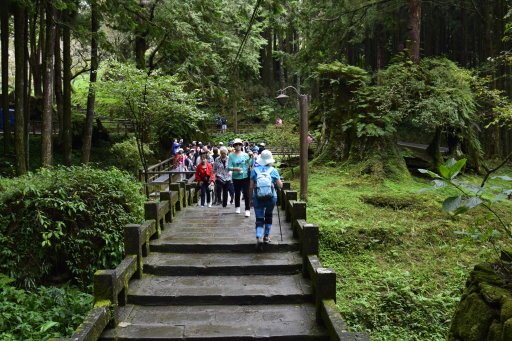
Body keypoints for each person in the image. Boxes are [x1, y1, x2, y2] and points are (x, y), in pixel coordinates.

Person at [249, 150, 283, 250]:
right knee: (268, 216)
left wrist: (250, 199)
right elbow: (280, 185)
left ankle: (258, 237)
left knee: (259, 218)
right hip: (271, 197)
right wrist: (279, 184)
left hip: (257, 197)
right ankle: (266, 236)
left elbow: (251, 187)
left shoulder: (254, 170)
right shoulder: (274, 170)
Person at [228, 138, 251, 217]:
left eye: (239, 144)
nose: (238, 146)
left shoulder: (245, 155)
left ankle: (247, 209)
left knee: (246, 193)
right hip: (236, 176)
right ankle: (237, 207)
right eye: (236, 144)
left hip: (245, 176)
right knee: (237, 192)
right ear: (234, 146)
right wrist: (235, 168)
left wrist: (252, 157)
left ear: (241, 145)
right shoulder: (231, 155)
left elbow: (250, 164)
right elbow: (229, 167)